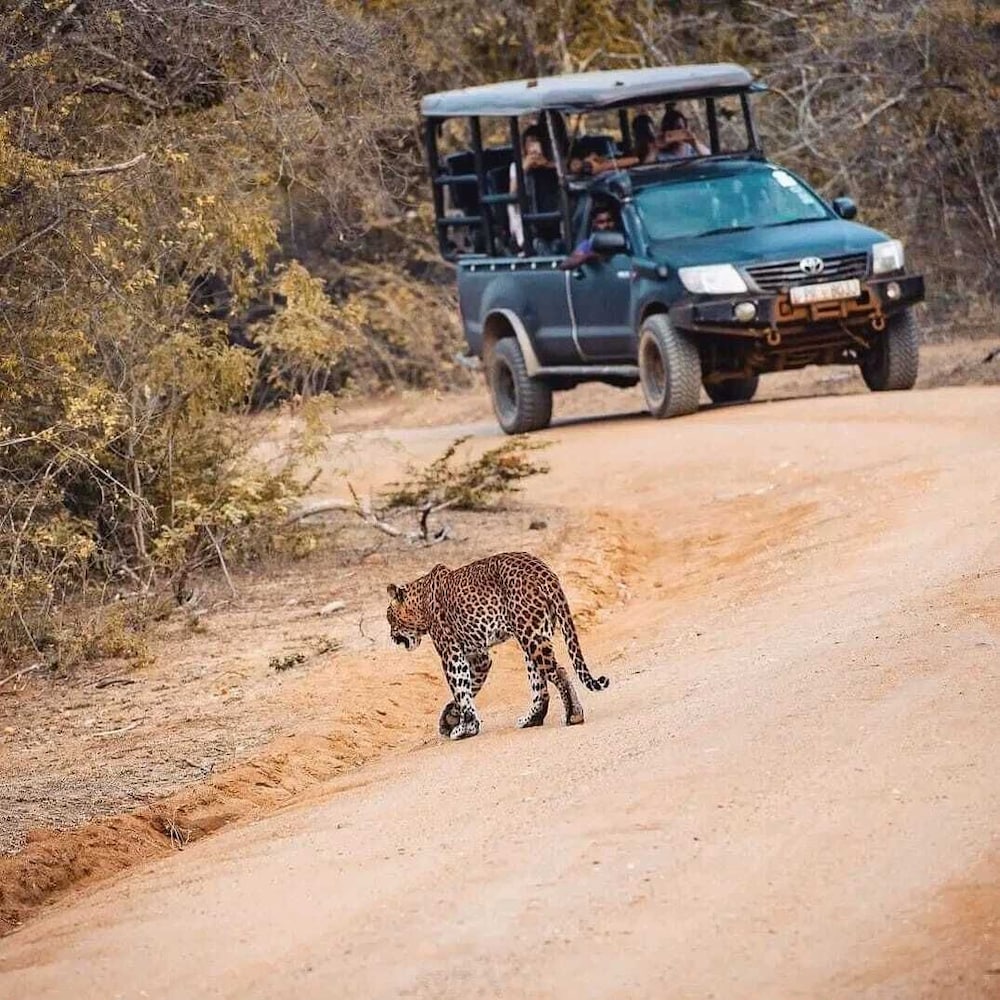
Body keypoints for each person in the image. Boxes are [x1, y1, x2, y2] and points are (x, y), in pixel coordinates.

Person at [508, 125, 553, 252]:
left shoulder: (550, 163)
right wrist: (524, 169)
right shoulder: (516, 166)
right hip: (524, 212)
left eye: (536, 142)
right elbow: (512, 193)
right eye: (530, 143)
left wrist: (546, 165)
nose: (533, 147)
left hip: (548, 211)